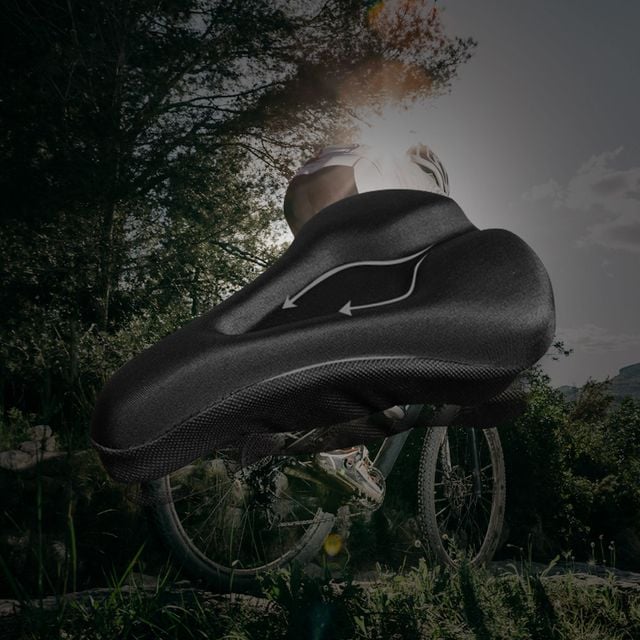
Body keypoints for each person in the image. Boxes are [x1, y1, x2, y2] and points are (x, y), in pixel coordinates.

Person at [282, 142, 451, 503]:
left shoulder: (392, 163)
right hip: (350, 187)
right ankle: (341, 452)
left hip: (301, 191)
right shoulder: (428, 188)